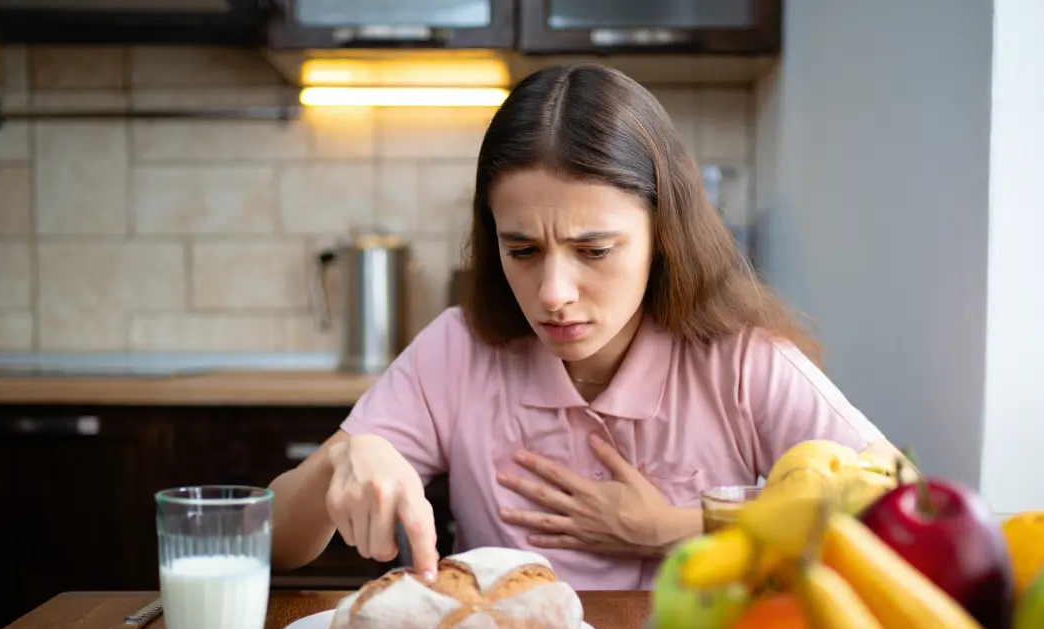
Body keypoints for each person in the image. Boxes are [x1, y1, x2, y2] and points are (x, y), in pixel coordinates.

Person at [269, 63, 897, 591]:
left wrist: (677, 526)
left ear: (664, 236)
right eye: (522, 250)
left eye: (595, 251)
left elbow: (895, 504)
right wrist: (343, 458)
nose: (553, 295)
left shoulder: (741, 361)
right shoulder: (458, 350)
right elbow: (273, 548)